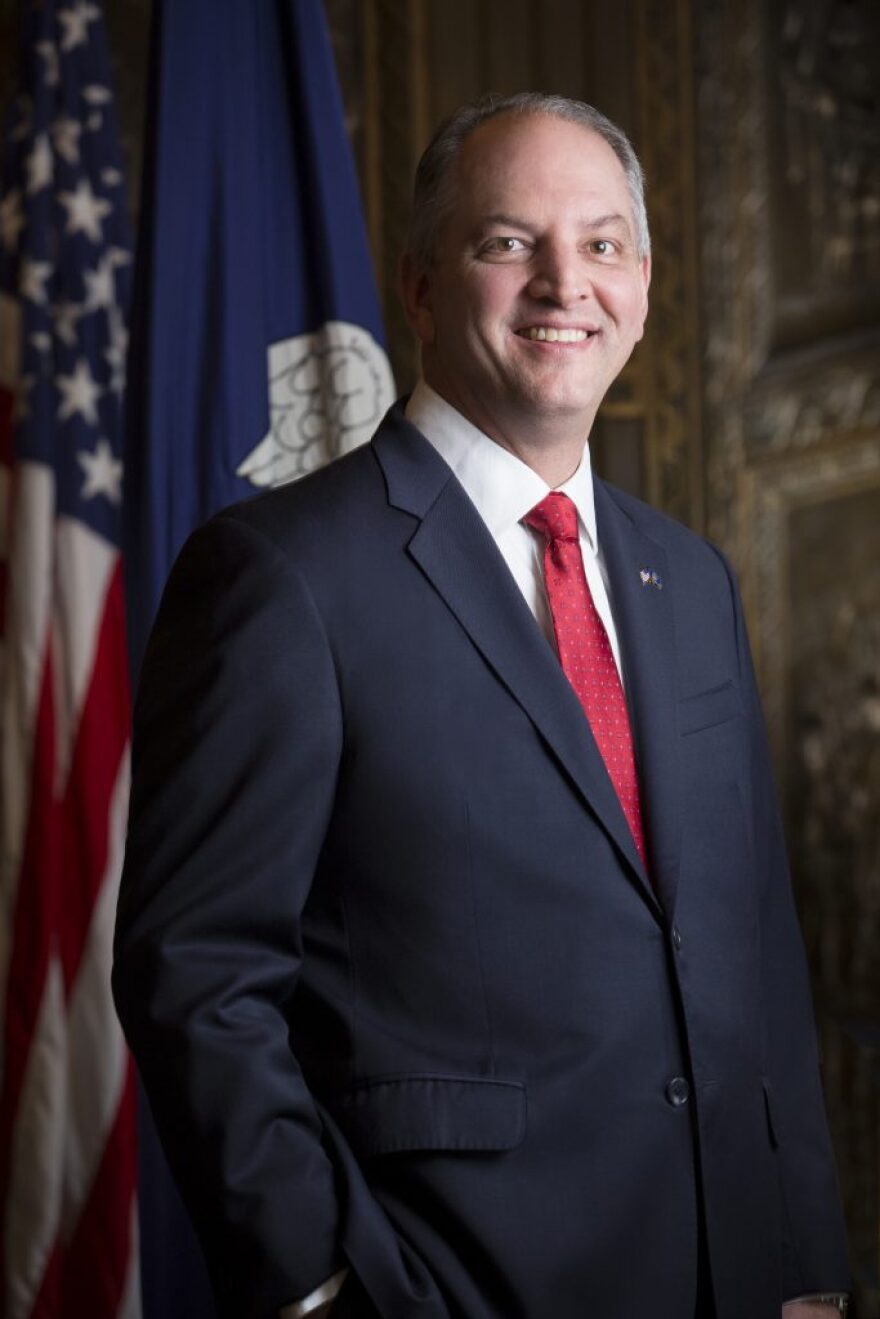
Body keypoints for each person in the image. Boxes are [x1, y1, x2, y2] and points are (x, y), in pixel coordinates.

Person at [113, 93, 852, 1319]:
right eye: (508, 242)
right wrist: (321, 1287)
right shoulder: (282, 574)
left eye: (603, 243)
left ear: (647, 285)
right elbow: (196, 972)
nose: (566, 283)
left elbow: (755, 947)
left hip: (730, 1279)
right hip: (452, 1282)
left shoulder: (693, 579)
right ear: (418, 283)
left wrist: (807, 1262)